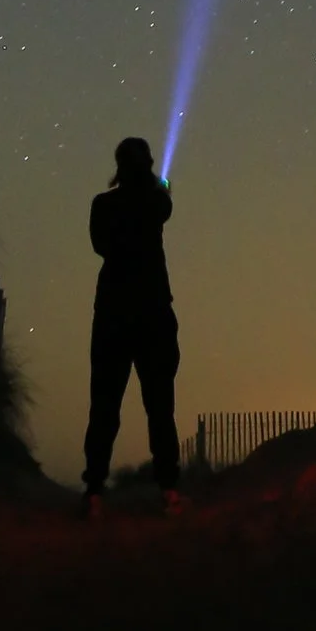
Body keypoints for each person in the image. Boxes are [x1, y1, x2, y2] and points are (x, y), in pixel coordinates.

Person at [82, 134, 182, 510]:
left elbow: (100, 246)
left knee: (104, 404)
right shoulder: (156, 201)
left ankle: (94, 491)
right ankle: (169, 489)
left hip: (111, 312)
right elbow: (165, 197)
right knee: (160, 404)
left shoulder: (102, 205)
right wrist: (160, 184)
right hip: (154, 309)